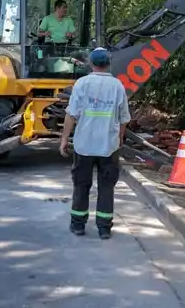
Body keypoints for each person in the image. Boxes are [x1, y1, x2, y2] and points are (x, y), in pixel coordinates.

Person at [59, 47, 130, 239]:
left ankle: (78, 225)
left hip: (84, 145)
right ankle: (104, 228)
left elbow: (71, 115)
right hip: (108, 146)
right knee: (106, 186)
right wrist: (120, 138)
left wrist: (64, 139)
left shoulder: (82, 84)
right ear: (108, 64)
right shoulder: (117, 86)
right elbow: (124, 119)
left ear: (91, 64)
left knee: (81, 185)